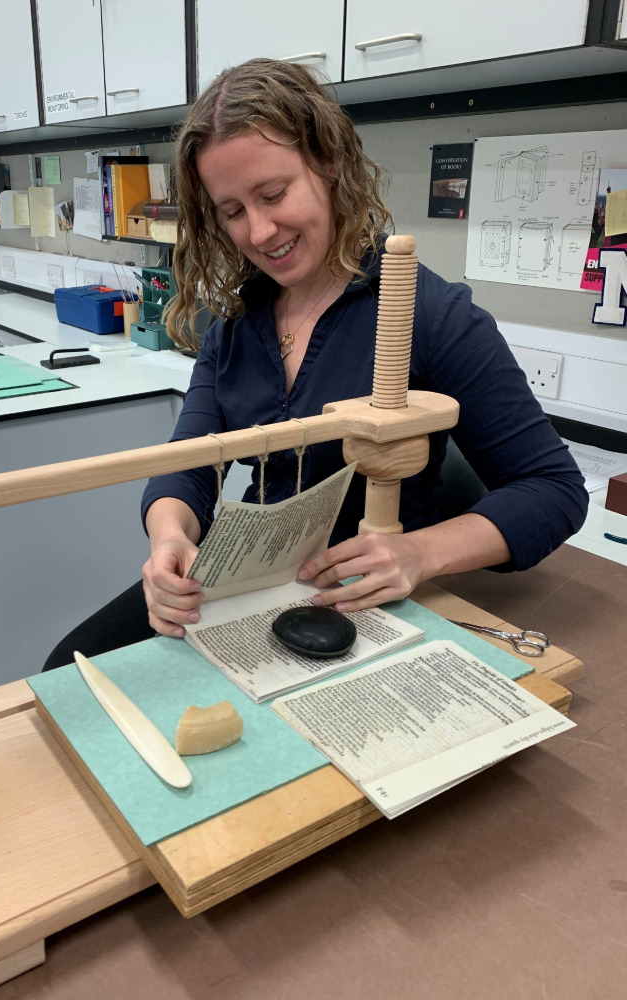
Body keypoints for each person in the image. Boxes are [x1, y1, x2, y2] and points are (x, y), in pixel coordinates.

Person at [41, 58, 587, 671]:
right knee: (71, 667)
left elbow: (554, 490)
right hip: (247, 585)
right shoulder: (236, 325)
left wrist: (419, 553)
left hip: (367, 604)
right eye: (232, 210)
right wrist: (169, 540)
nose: (260, 229)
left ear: (328, 164)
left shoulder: (429, 313)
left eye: (274, 194)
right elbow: (187, 466)